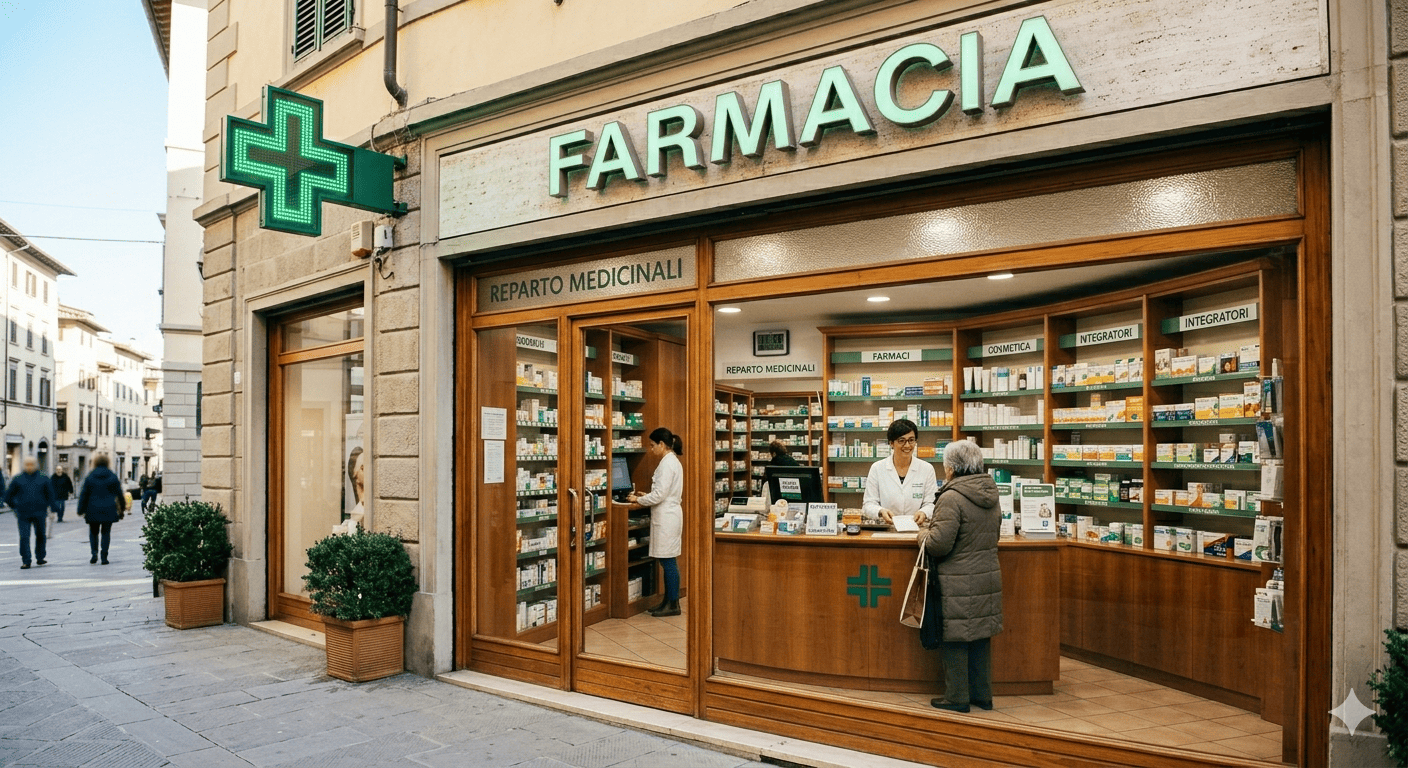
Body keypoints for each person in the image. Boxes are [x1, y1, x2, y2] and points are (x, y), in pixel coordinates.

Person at [919, 440, 1003, 713]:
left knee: (955, 636)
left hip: (957, 579)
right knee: (980, 636)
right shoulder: (991, 493)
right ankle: (982, 695)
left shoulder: (952, 497)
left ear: (952, 468)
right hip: (986, 576)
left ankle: (956, 697)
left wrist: (921, 535)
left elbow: (938, 544)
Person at [618, 427, 684, 617]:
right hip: (668, 513)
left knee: (668, 561)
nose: (651, 449)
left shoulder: (667, 464)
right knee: (667, 560)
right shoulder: (671, 461)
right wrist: (647, 496)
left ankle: (673, 604)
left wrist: (638, 499)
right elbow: (662, 493)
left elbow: (660, 495)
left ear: (662, 445)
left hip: (667, 516)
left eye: (653, 445)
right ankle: (668, 601)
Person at [862, 419, 939, 527]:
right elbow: (868, 504)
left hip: (917, 530)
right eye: (901, 440)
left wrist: (924, 512)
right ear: (891, 443)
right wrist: (880, 511)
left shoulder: (927, 469)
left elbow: (931, 503)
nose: (907, 445)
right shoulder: (877, 468)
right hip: (887, 530)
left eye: (911, 440)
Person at [5, 457, 54, 569]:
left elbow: (50, 494)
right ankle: (26, 560)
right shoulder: (18, 479)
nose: (29, 466)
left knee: (41, 535)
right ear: (24, 465)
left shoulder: (43, 478)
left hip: (40, 512)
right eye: (27, 464)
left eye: (32, 464)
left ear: (36, 465)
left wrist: (53, 508)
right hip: (23, 513)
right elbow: (8, 496)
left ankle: (40, 557)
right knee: (24, 536)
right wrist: (15, 507)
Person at [77, 453, 126, 565]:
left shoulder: (90, 476)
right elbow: (119, 494)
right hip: (109, 508)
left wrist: (80, 509)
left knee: (93, 532)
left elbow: (84, 494)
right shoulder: (112, 476)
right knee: (106, 532)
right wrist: (122, 509)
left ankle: (94, 554)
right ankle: (104, 556)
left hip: (92, 508)